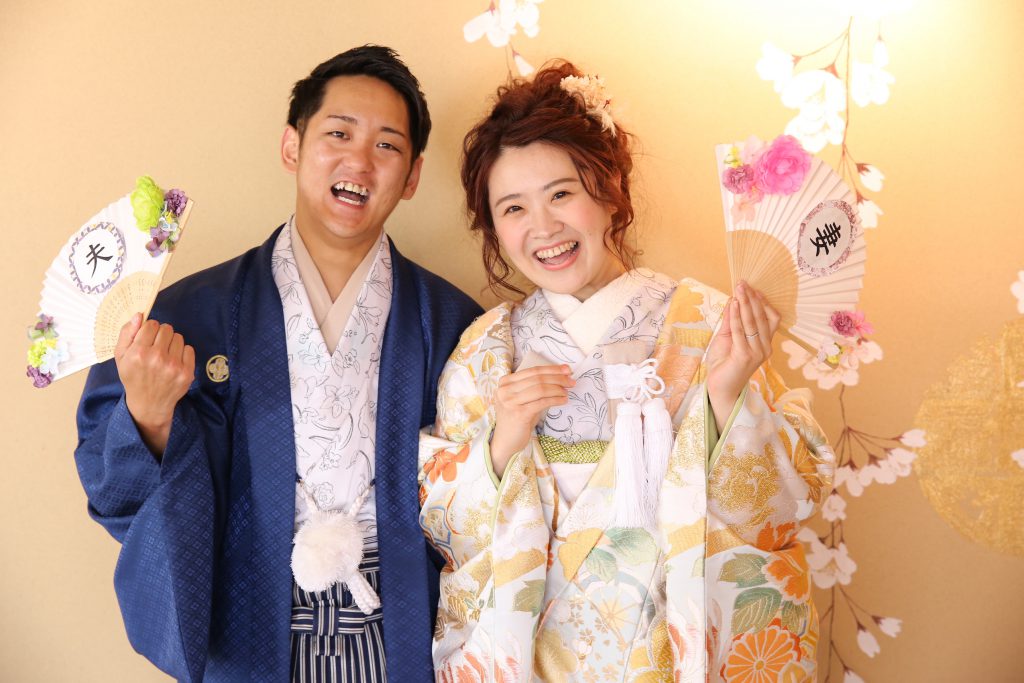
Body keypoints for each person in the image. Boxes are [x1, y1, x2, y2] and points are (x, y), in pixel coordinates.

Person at [418, 61, 835, 682]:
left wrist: (726, 399)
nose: (543, 227)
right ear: (493, 226)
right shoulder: (486, 350)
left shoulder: (708, 323)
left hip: (666, 653)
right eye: (513, 208)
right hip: (539, 657)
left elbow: (783, 504)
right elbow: (445, 525)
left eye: (561, 194)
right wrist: (503, 443)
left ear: (609, 188)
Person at [75, 45, 481, 682]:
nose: (359, 161)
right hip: (251, 622)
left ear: (412, 176)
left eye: (387, 145)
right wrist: (148, 419)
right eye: (338, 134)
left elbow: (489, 499)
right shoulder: (192, 313)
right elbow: (114, 493)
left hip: (406, 623)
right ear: (292, 146)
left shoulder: (455, 324)